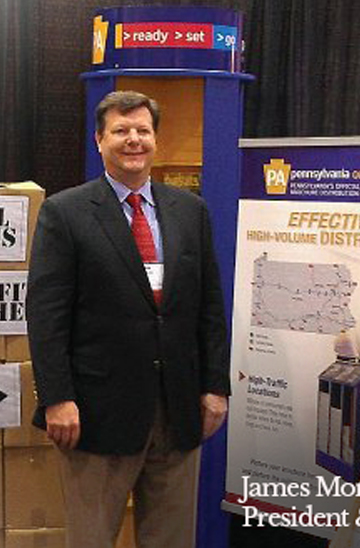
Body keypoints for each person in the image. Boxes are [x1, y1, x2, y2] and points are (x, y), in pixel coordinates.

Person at [26, 90, 230, 548]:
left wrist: (216, 386)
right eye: (121, 131)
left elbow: (210, 307)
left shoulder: (189, 211)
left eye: (143, 130)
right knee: (92, 539)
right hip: (96, 416)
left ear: (155, 139)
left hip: (178, 412)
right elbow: (46, 315)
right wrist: (57, 397)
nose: (133, 140)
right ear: (100, 140)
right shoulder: (66, 212)